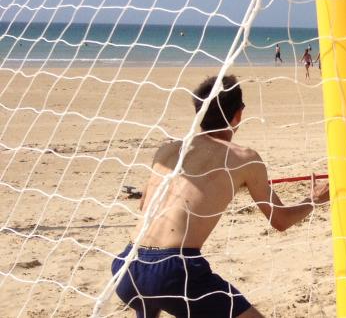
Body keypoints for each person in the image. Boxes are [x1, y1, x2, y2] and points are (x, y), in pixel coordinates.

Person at [111, 75, 330, 318]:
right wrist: (314, 198)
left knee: (154, 299)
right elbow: (280, 221)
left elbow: (145, 205)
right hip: (173, 269)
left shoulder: (168, 149)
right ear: (239, 114)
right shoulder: (244, 158)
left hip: (127, 265)